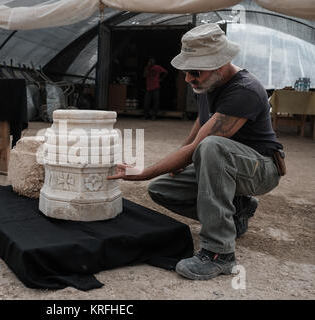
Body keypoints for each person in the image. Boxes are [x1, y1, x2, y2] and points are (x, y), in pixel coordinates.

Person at [108, 23, 285, 280]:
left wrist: (143, 172)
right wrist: (179, 156)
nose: (188, 78)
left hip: (262, 168)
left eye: (194, 72)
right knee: (161, 189)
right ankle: (238, 210)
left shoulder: (244, 90)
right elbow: (204, 121)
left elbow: (203, 145)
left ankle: (219, 253)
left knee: (211, 147)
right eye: (186, 71)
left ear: (220, 65)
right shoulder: (207, 83)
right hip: (231, 164)